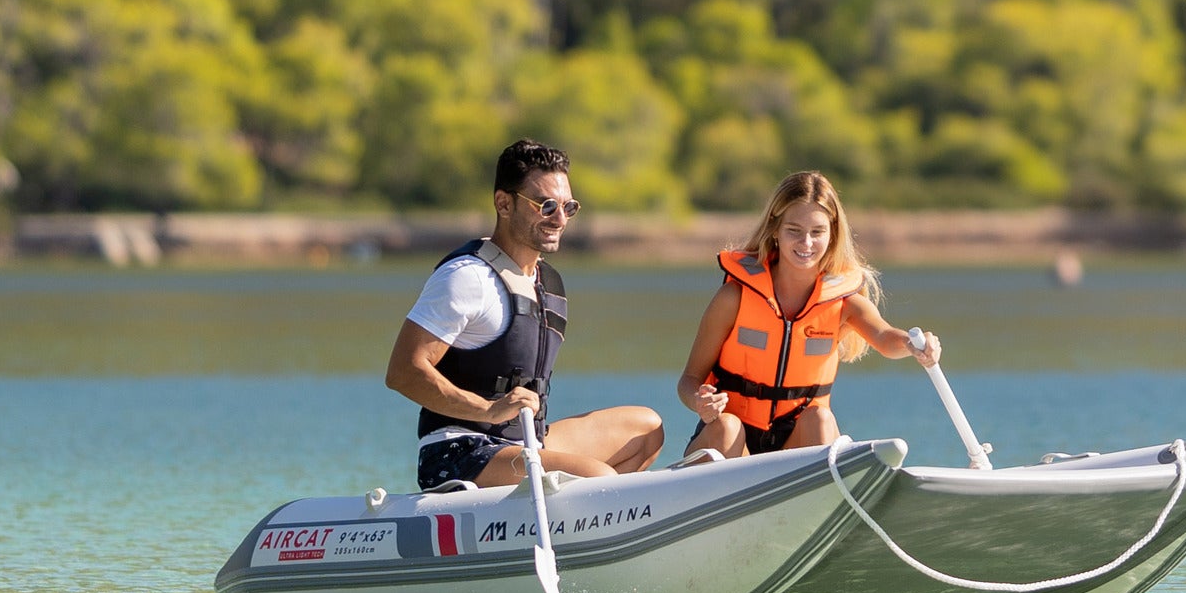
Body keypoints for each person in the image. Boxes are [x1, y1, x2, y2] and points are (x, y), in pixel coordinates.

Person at [382, 140, 664, 493]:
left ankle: (587, 524)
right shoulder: (467, 277)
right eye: (546, 206)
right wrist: (488, 410)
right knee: (599, 481)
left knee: (646, 430)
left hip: (525, 442)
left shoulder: (548, 282)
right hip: (461, 452)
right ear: (504, 203)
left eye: (568, 207)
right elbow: (403, 372)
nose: (559, 219)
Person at [674, 171, 938, 463]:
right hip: (730, 443)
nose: (806, 243)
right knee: (726, 427)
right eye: (794, 231)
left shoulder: (844, 302)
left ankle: (820, 496)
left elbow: (885, 337)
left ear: (832, 234)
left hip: (794, 448)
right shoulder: (733, 298)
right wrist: (700, 402)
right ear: (775, 229)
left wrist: (914, 343)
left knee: (820, 419)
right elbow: (689, 380)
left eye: (817, 232)